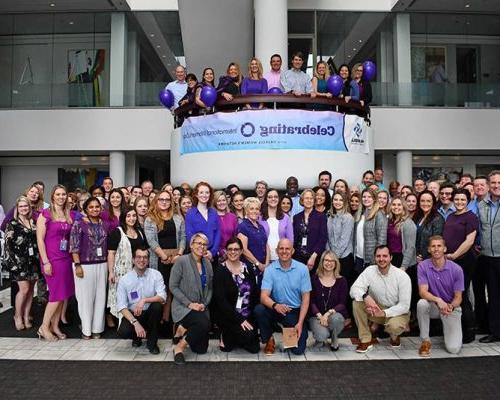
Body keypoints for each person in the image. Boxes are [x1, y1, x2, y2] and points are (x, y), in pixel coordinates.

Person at [254, 239, 311, 355]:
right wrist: (275, 305)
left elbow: (306, 299)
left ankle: (287, 329)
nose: (284, 251)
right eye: (281, 248)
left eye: (287, 249)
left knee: (297, 350)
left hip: (293, 312)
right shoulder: (270, 270)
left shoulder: (302, 269)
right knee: (259, 310)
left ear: (293, 251)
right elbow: (263, 297)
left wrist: (300, 322)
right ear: (276, 251)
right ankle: (269, 339)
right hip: (276, 309)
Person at [350, 245, 411, 352]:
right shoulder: (369, 270)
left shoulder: (402, 276)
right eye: (378, 256)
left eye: (385, 256)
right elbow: (354, 289)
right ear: (374, 258)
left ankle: (394, 335)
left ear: (391, 257)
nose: (381, 259)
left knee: (394, 326)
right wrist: (366, 296)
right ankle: (365, 339)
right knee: (357, 302)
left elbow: (404, 306)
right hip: (376, 309)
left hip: (397, 312)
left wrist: (383, 313)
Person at [36, 185, 76, 341]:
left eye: (63, 194)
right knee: (55, 295)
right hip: (51, 259)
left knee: (63, 294)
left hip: (66, 258)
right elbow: (39, 239)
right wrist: (45, 262)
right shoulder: (45, 214)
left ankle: (55, 326)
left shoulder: (68, 214)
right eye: (58, 194)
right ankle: (44, 327)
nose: (61, 197)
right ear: (52, 197)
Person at [70, 196, 111, 339]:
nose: (94, 209)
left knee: (100, 298)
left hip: (102, 264)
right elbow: (74, 246)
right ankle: (86, 330)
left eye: (97, 207)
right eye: (91, 207)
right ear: (86, 209)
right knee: (85, 299)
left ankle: (96, 329)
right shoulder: (79, 224)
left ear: (101, 208)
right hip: (84, 265)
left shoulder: (105, 224)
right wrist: (77, 265)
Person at [170, 233, 214, 364]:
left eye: (204, 244)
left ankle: (182, 329)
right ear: (191, 245)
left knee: (201, 349)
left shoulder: (208, 264)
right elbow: (173, 286)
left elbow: (210, 288)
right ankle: (179, 348)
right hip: (183, 307)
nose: (202, 246)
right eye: (198, 243)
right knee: (204, 323)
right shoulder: (181, 261)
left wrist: (204, 304)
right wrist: (190, 304)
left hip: (200, 307)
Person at [417, 236, 464, 356]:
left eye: (439, 246)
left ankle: (449, 333)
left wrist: (450, 306)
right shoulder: (422, 266)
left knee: (453, 349)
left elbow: (458, 297)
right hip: (435, 306)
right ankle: (425, 341)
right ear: (428, 249)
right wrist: (438, 300)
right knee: (421, 304)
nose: (436, 249)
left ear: (445, 249)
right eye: (433, 246)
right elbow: (423, 292)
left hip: (450, 308)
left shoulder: (456, 269)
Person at [443, 188, 478, 343]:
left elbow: (469, 241)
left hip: (464, 260)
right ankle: (455, 330)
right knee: (453, 296)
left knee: (462, 296)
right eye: (457, 199)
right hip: (449, 261)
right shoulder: (450, 216)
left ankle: (469, 331)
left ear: (468, 201)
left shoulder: (471, 217)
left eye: (463, 199)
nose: (459, 202)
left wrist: (454, 255)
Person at [144, 190, 186, 324]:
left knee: (173, 288)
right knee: (160, 289)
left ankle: (168, 319)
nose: (164, 202)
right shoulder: (150, 219)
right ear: (156, 201)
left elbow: (183, 237)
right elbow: (151, 241)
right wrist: (164, 257)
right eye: (161, 199)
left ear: (171, 201)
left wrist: (179, 254)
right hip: (159, 259)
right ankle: (158, 320)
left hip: (177, 259)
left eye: (167, 199)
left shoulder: (178, 218)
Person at [212, 237, 260, 353]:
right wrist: (240, 320)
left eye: (236, 249)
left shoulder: (248, 268)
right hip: (229, 316)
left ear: (241, 251)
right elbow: (221, 301)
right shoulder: (220, 271)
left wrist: (252, 319)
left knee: (254, 349)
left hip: (247, 314)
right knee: (227, 348)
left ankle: (238, 336)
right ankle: (225, 334)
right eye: (230, 249)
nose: (233, 252)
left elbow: (254, 295)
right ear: (226, 251)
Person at [116, 248, 166, 354]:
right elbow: (121, 306)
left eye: (145, 257)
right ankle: (137, 336)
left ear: (148, 260)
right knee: (123, 332)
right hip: (134, 315)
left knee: (157, 306)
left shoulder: (156, 275)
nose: (142, 260)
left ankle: (152, 343)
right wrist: (135, 323)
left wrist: (144, 300)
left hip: (151, 314)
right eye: (138, 257)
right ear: (133, 260)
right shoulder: (124, 280)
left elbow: (162, 296)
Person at [4, 196, 39, 330]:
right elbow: (7, 246)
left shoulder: (33, 222)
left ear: (29, 208)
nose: (24, 208)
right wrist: (12, 263)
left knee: (30, 291)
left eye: (26, 206)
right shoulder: (12, 224)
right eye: (21, 206)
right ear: (17, 208)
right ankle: (17, 316)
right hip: (18, 263)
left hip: (33, 261)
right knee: (23, 290)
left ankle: (26, 315)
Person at [107, 207, 148, 320]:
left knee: (134, 295)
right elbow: (111, 253)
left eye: (134, 215)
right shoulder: (117, 232)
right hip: (122, 272)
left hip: (137, 272)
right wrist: (111, 272)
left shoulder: (140, 232)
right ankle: (121, 320)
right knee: (122, 296)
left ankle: (134, 319)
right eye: (128, 216)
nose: (132, 218)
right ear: (124, 218)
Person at [308, 250, 348, 351]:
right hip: (316, 316)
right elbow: (311, 301)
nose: (329, 263)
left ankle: (334, 337)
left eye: (332, 261)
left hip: (333, 315)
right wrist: (320, 316)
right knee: (322, 335)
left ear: (336, 263)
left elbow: (342, 303)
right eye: (326, 260)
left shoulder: (342, 281)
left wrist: (327, 314)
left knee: (337, 319)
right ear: (322, 262)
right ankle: (320, 338)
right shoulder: (314, 279)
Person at [477, 171, 500, 343]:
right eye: (493, 183)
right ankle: (495, 332)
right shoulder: (481, 205)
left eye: (499, 182)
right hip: (487, 257)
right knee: (493, 296)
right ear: (488, 185)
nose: (496, 185)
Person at [353, 189, 388, 275]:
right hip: (359, 257)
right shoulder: (360, 214)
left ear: (374, 199)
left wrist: (376, 259)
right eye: (364, 197)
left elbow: (382, 240)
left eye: (369, 197)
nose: (366, 199)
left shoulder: (379, 215)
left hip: (371, 259)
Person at [293, 189, 328, 273]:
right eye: (306, 198)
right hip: (298, 257)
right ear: (302, 200)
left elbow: (323, 238)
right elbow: (294, 238)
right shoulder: (296, 217)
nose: (309, 200)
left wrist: (313, 257)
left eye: (311, 198)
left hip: (314, 257)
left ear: (314, 200)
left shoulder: (321, 217)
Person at [185, 182, 220, 262]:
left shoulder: (214, 212)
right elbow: (190, 236)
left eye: (207, 192)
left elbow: (218, 233)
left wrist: (212, 252)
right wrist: (201, 252)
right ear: (196, 195)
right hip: (197, 255)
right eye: (201, 192)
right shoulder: (190, 213)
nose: (204, 195)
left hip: (212, 255)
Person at [237, 197, 270, 283]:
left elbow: (266, 245)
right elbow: (243, 250)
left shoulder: (261, 227)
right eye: (251, 209)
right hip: (250, 267)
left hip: (263, 267)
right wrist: (258, 264)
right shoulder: (243, 226)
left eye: (257, 209)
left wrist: (266, 264)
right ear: (246, 211)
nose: (255, 211)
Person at [326, 191, 355, 286]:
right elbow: (328, 238)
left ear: (345, 202)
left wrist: (334, 258)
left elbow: (344, 241)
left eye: (341, 200)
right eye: (335, 199)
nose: (337, 202)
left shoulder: (348, 217)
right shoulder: (330, 217)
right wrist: (328, 254)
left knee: (343, 286)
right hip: (332, 257)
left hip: (344, 258)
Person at [259, 189, 294, 261]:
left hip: (282, 258)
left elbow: (290, 240)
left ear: (279, 199)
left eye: (275, 197)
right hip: (263, 258)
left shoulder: (286, 218)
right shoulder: (259, 217)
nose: (273, 199)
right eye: (270, 197)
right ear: (266, 200)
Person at [413, 190, 445, 262]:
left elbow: (436, 242)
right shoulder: (417, 216)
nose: (425, 203)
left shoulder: (438, 219)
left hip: (429, 259)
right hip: (415, 257)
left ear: (433, 202)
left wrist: (423, 256)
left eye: (428, 201)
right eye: (422, 201)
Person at [387, 197, 416, 270]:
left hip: (402, 259)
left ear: (404, 207)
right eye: (394, 204)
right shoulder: (390, 221)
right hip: (391, 258)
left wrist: (404, 266)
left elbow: (410, 247)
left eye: (399, 205)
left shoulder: (408, 223)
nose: (396, 207)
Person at [213, 190, 238, 260]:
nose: (221, 203)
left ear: (227, 201)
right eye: (218, 201)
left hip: (232, 253)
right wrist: (221, 252)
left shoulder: (233, 217)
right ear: (215, 203)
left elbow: (235, 236)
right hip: (216, 255)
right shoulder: (211, 217)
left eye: (223, 200)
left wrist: (230, 251)